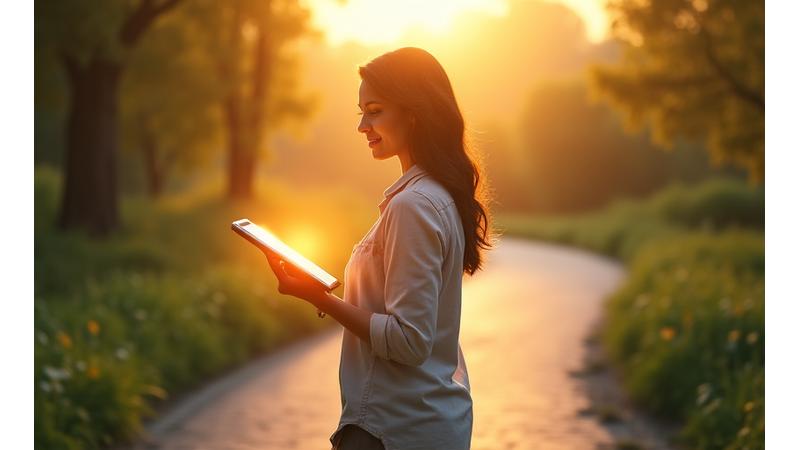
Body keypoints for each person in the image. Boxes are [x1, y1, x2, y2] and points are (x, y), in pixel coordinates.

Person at [264, 47, 494, 450]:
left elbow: (409, 340)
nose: (362, 126)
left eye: (374, 110)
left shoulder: (414, 205)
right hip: (420, 422)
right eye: (361, 112)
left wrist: (319, 297)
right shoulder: (432, 196)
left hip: (392, 428)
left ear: (413, 112)